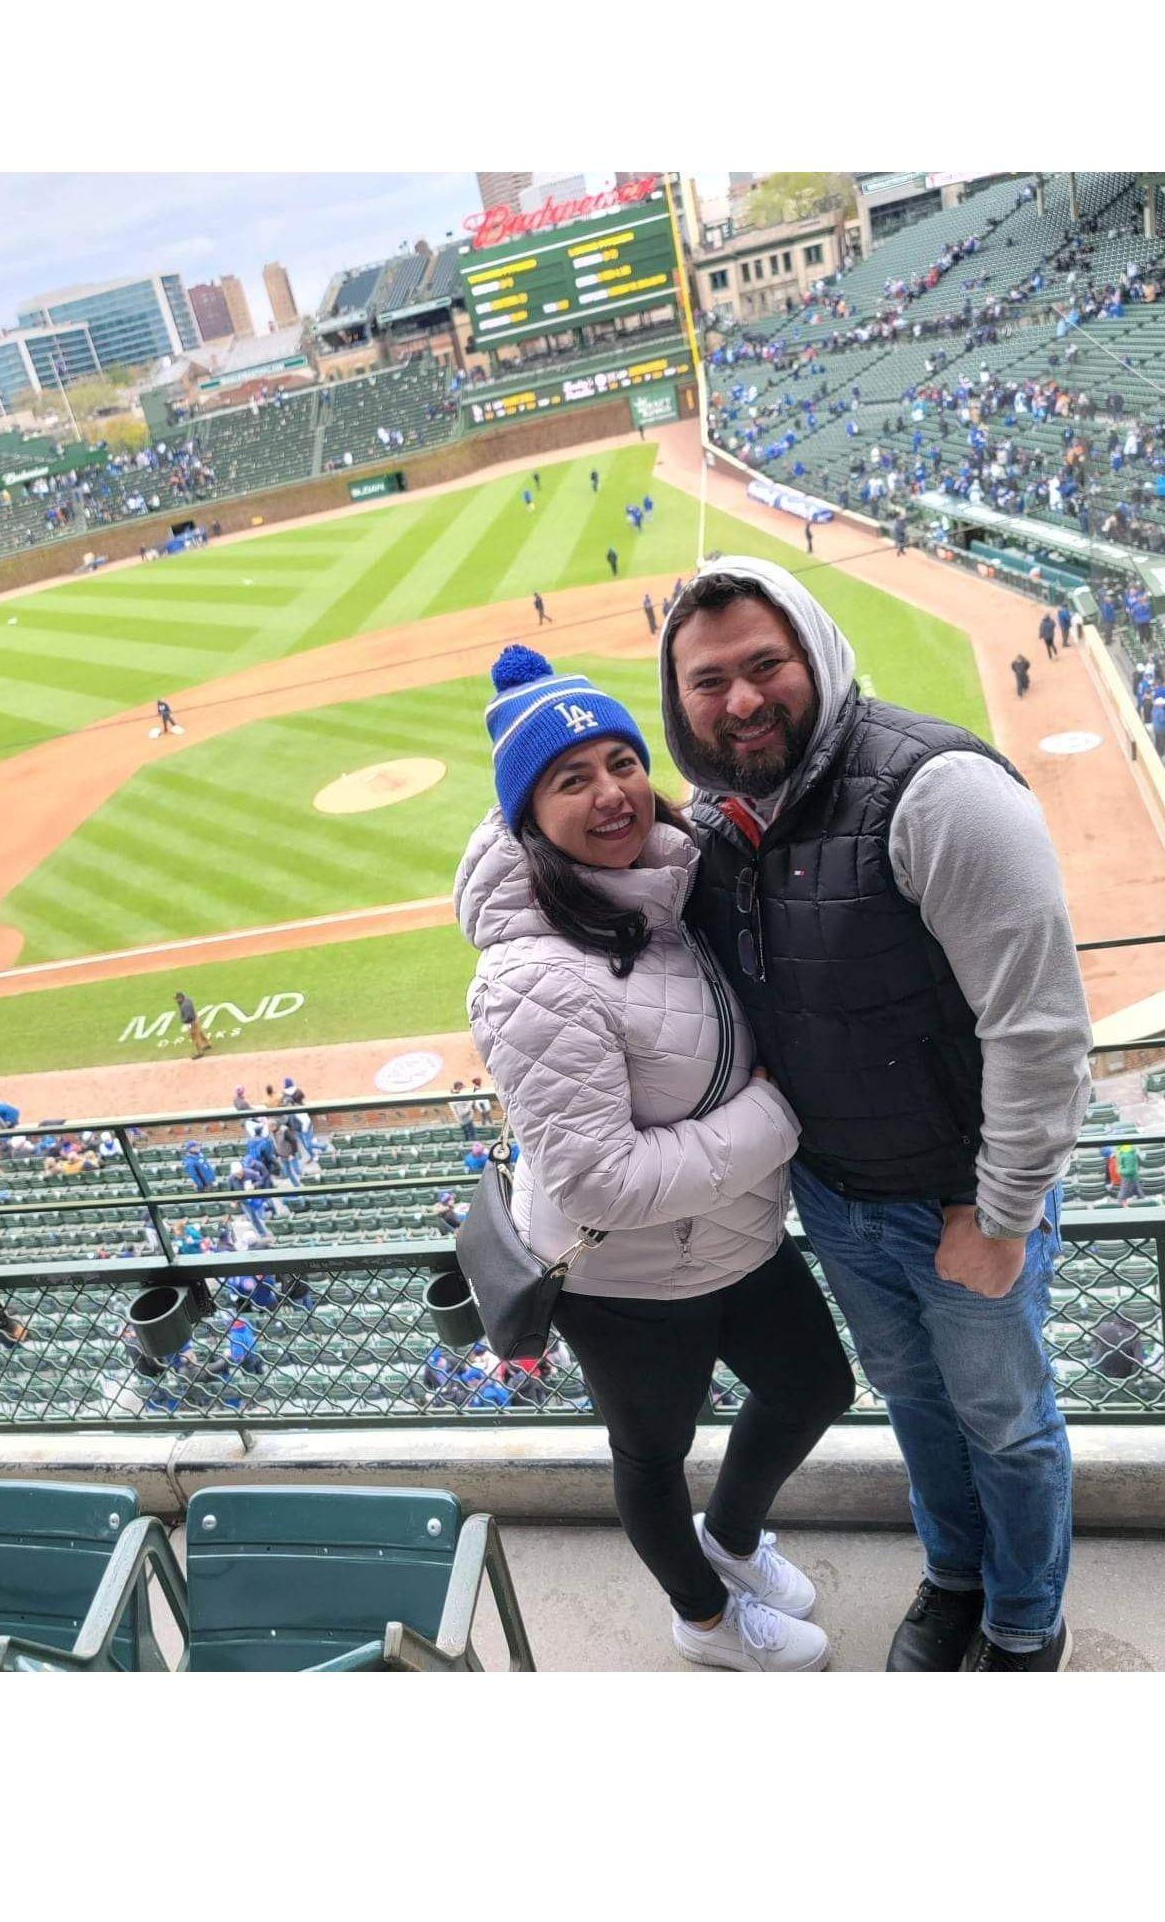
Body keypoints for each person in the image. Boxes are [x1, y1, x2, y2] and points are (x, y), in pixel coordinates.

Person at [662, 558, 1092, 1673]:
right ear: (679, 704)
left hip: (959, 1199)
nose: (741, 699)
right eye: (708, 681)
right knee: (912, 1403)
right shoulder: (714, 825)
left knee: (1003, 1421)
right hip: (837, 1200)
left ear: (813, 652)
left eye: (765, 664)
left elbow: (1038, 1027)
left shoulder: (936, 789)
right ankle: (954, 1572)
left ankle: (1022, 1614)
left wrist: (998, 1214)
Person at [459, 645, 853, 1672]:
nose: (610, 793)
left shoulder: (659, 889)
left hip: (731, 1236)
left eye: (620, 761)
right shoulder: (527, 973)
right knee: (649, 1457)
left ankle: (728, 1536)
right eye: (569, 777)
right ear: (525, 812)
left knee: (813, 1386)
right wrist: (777, 1117)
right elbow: (601, 1180)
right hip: (624, 1278)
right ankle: (703, 1616)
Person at [175, 989, 211, 1057]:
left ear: (180, 998)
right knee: (200, 1032)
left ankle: (199, 1052)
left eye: (177, 999)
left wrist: (184, 1020)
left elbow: (189, 1017)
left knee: (195, 1037)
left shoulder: (185, 1005)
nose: (176, 1000)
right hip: (195, 1019)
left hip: (191, 1022)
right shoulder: (187, 1000)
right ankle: (207, 1044)